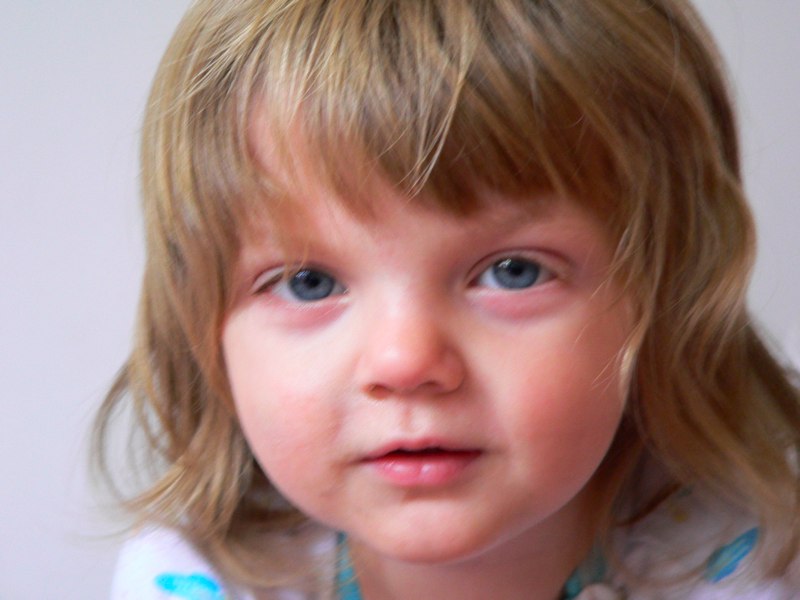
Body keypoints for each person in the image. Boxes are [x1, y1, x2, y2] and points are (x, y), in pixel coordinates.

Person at [94, 1, 800, 598]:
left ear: (667, 292)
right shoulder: (191, 580)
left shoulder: (754, 562)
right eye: (310, 283)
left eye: (514, 272)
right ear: (203, 325)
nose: (405, 363)